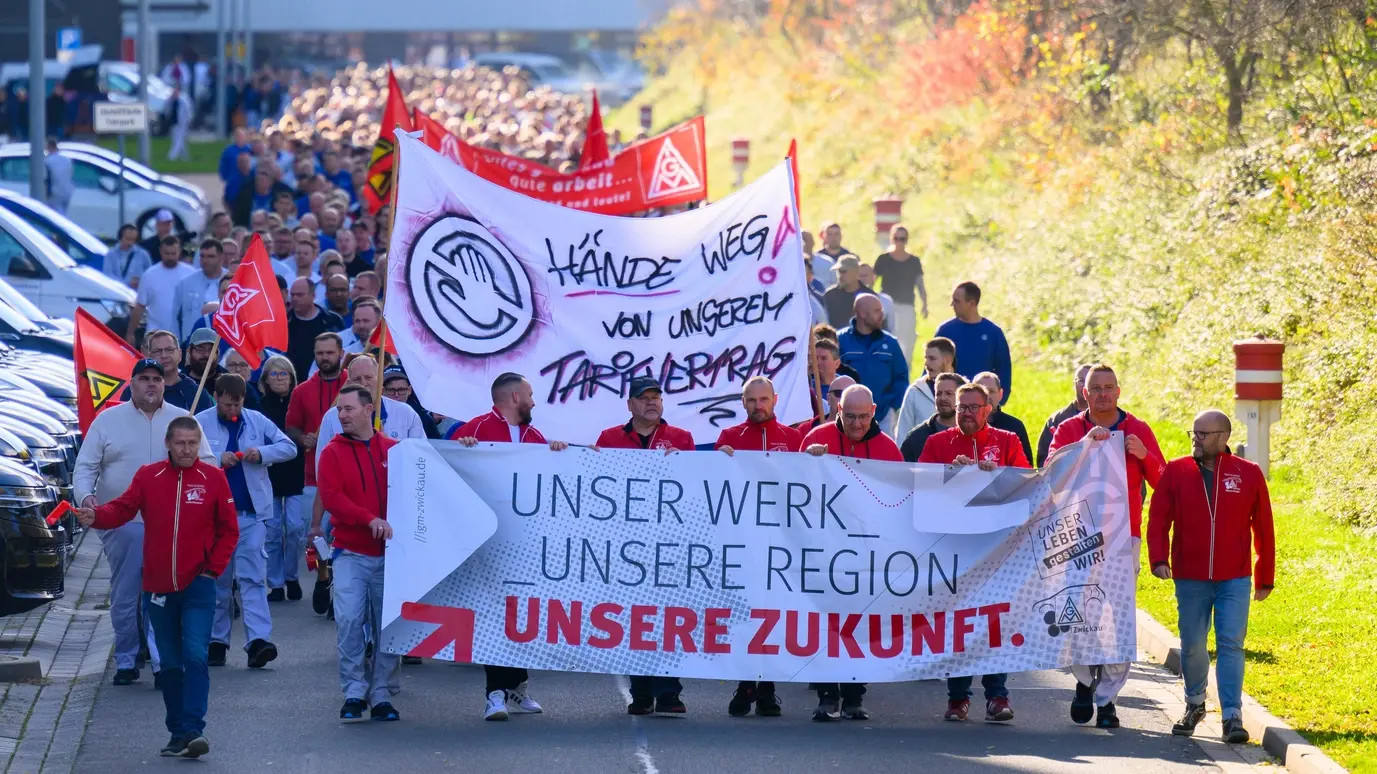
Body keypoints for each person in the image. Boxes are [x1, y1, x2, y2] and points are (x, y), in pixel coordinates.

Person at [76, 416, 236, 759]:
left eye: (193, 443)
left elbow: (229, 531)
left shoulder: (214, 479)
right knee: (171, 663)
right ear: (168, 443)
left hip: (199, 586)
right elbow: (122, 509)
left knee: (195, 654)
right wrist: (96, 515)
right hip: (159, 586)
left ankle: (195, 728)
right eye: (180, 443)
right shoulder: (149, 476)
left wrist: (213, 570)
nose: (187, 450)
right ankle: (178, 731)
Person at [74, 358, 215, 689]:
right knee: (126, 594)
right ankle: (126, 658)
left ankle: (162, 661)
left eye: (157, 378)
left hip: (172, 525)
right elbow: (84, 468)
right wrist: (85, 498)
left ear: (165, 383)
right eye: (144, 378)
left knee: (160, 594)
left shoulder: (182, 420)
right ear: (132, 383)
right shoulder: (107, 421)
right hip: (123, 522)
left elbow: (206, 462)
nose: (151, 384)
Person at [1048, 363, 1165, 729]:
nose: (1102, 393)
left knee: (1118, 619)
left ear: (1118, 391)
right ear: (1084, 392)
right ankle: (1084, 683)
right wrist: (1081, 448)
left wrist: (1144, 455)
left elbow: (1165, 483)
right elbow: (1052, 472)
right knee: (1083, 614)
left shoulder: (1137, 429)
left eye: (1108, 387)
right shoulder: (1069, 428)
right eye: (1095, 387)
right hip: (1081, 537)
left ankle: (1109, 699)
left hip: (1122, 538)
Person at [1148, 410, 1274, 744]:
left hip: (1234, 576)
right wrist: (1158, 558)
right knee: (1191, 644)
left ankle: (1232, 715)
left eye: (1203, 434)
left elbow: (1263, 525)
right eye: (1194, 433)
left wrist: (1265, 575)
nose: (1196, 439)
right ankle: (1194, 703)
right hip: (1190, 575)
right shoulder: (1177, 471)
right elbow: (1158, 518)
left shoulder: (1247, 474)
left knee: (1231, 643)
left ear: (1223, 437)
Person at [449, 373, 569, 720]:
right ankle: (495, 693)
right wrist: (462, 449)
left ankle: (517, 686)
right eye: (530, 395)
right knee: (493, 615)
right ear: (515, 397)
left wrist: (558, 454)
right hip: (488, 539)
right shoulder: (476, 429)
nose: (534, 401)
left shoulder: (535, 436)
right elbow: (445, 466)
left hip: (526, 542)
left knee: (524, 614)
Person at [918, 383, 1028, 723]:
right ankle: (957, 699)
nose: (965, 412)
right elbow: (920, 486)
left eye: (972, 407)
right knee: (957, 624)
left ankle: (998, 696)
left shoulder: (1007, 441)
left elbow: (1026, 481)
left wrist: (1000, 476)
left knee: (994, 622)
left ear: (988, 408)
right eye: (961, 406)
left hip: (997, 550)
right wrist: (948, 474)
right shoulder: (937, 443)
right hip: (955, 550)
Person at [589, 375, 694, 714]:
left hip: (668, 544)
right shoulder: (608, 438)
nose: (652, 402)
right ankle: (642, 692)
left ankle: (669, 691)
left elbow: (696, 484)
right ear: (630, 404)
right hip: (625, 544)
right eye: (644, 397)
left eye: (656, 397)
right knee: (635, 618)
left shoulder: (681, 438)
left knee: (668, 616)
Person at [798, 384, 901, 721]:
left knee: (861, 625)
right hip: (823, 552)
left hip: (868, 555)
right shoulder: (817, 439)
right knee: (825, 623)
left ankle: (855, 694)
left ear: (873, 411)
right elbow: (791, 488)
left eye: (863, 416)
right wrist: (807, 462)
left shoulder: (888, 449)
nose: (857, 424)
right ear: (838, 409)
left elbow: (901, 500)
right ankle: (827, 695)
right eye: (850, 416)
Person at [195, 374, 295, 669]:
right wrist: (216, 460)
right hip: (214, 519)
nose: (233, 410)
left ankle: (258, 641)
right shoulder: (200, 422)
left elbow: (288, 447)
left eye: (237, 404)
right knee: (218, 580)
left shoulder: (256, 420)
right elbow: (183, 457)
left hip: (251, 515)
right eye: (228, 404)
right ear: (217, 397)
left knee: (252, 578)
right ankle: (216, 640)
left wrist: (262, 453)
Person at [716, 375, 801, 718]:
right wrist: (718, 459)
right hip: (743, 540)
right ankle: (746, 682)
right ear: (743, 403)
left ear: (775, 400)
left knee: (774, 615)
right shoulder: (729, 438)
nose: (758, 406)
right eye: (751, 400)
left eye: (763, 399)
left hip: (782, 541)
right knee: (745, 614)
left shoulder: (792, 438)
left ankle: (766, 688)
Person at [316, 385, 402, 723]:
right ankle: (353, 689)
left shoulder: (395, 450)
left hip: (391, 556)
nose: (342, 415)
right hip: (350, 552)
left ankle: (380, 692)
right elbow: (332, 497)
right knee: (350, 620)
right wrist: (369, 519)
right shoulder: (332, 453)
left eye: (349, 409)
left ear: (369, 410)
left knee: (387, 627)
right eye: (340, 410)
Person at [285, 333, 347, 613]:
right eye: (319, 353)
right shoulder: (302, 391)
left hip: (349, 478)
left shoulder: (354, 388)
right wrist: (303, 438)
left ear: (340, 353)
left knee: (344, 538)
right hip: (314, 476)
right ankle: (324, 577)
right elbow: (292, 426)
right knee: (319, 537)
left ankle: (341, 590)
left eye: (329, 353)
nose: (324, 358)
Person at [257, 355, 309, 602]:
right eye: (274, 374)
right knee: (273, 531)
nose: (279, 379)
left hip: (297, 472)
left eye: (284, 374)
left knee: (296, 528)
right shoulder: (259, 406)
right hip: (269, 474)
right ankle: (276, 583)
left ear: (292, 378)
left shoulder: (299, 402)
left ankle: (292, 576)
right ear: (265, 379)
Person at [314, 355, 426, 455]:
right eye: (357, 379)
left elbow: (420, 459)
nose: (363, 383)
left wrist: (387, 446)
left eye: (368, 377)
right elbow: (321, 465)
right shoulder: (332, 417)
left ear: (380, 380)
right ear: (348, 383)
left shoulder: (406, 413)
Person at [935, 282, 1012, 404]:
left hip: (983, 404)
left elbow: (1004, 369)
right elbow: (932, 365)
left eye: (957, 301)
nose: (952, 305)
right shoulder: (945, 331)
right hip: (951, 403)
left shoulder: (993, 333)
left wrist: (1000, 401)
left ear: (971, 303)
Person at [837, 295, 908, 427]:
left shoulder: (891, 343)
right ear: (862, 313)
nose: (882, 315)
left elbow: (901, 376)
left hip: (883, 417)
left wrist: (893, 407)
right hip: (849, 417)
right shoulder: (840, 340)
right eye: (877, 311)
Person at [872, 224, 928, 360]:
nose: (899, 242)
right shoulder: (883, 259)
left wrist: (925, 304)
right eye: (896, 238)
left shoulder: (914, 261)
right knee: (885, 337)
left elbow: (920, 284)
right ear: (892, 239)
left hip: (907, 305)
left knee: (907, 342)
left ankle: (904, 370)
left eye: (902, 239)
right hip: (886, 305)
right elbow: (872, 281)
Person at [128, 236, 195, 348]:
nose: (170, 257)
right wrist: (130, 332)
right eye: (166, 253)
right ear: (160, 252)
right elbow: (140, 306)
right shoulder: (149, 275)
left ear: (179, 251)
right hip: (154, 334)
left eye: (173, 253)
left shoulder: (190, 274)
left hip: (183, 336)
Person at [895, 337, 955, 444]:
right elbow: (903, 431)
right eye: (925, 358)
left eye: (932, 358)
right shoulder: (915, 391)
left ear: (948, 360)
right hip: (921, 458)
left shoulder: (962, 390)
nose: (926, 364)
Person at [286, 278, 345, 382]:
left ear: (313, 295)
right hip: (290, 382)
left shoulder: (332, 321)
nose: (294, 298)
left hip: (326, 379)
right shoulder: (285, 321)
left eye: (299, 295)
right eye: (292, 295)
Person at [900, 372, 965, 462]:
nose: (942, 398)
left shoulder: (974, 435)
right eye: (938, 394)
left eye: (949, 393)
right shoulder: (917, 438)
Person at [1037, 364, 1092, 467]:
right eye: (1081, 381)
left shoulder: (1108, 418)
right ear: (1073, 384)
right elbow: (1043, 461)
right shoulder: (1056, 420)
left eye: (1089, 381)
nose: (1085, 385)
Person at [973, 371, 1033, 464]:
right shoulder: (964, 425)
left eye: (991, 391)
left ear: (1000, 394)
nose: (986, 396)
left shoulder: (1015, 427)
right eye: (981, 391)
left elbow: (1027, 468)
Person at [176, 240, 225, 342]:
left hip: (221, 340)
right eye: (202, 256)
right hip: (190, 341)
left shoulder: (230, 281)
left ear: (221, 257)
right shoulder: (186, 283)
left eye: (210, 256)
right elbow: (175, 316)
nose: (205, 260)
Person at [381, 367, 441, 439]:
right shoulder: (372, 414)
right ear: (383, 391)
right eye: (391, 390)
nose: (396, 395)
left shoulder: (425, 419)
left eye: (401, 390)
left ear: (409, 390)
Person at [822, 255, 872, 328]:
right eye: (838, 271)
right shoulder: (830, 295)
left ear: (856, 271)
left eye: (843, 271)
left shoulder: (869, 296)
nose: (840, 276)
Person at [182, 329, 224, 415]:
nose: (206, 355)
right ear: (189, 351)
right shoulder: (180, 382)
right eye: (200, 349)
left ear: (218, 353)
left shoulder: (228, 382)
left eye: (211, 350)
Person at [103, 224, 153, 289]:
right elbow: (107, 275)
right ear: (120, 238)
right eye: (128, 239)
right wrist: (126, 284)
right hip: (116, 292)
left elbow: (150, 274)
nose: (130, 243)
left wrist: (141, 281)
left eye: (133, 240)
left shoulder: (142, 254)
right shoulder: (110, 255)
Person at [855, 262, 895, 332]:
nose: (863, 279)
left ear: (874, 277)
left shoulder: (886, 301)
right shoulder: (851, 300)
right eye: (860, 276)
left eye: (866, 275)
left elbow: (891, 328)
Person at [811, 222, 851, 287]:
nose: (833, 237)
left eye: (836, 234)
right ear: (823, 236)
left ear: (841, 235)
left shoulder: (849, 257)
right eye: (830, 234)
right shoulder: (817, 258)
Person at [43, 139, 75, 215]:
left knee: (55, 215)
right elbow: (70, 174)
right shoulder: (67, 160)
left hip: (54, 193)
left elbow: (45, 178)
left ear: (49, 147)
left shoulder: (47, 161)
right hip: (68, 191)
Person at [167, 86, 194, 162]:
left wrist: (189, 120)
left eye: (175, 92)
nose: (174, 94)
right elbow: (167, 110)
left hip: (182, 123)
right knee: (179, 140)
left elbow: (188, 112)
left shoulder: (183, 101)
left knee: (177, 140)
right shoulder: (171, 101)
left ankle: (171, 156)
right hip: (174, 122)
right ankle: (185, 157)